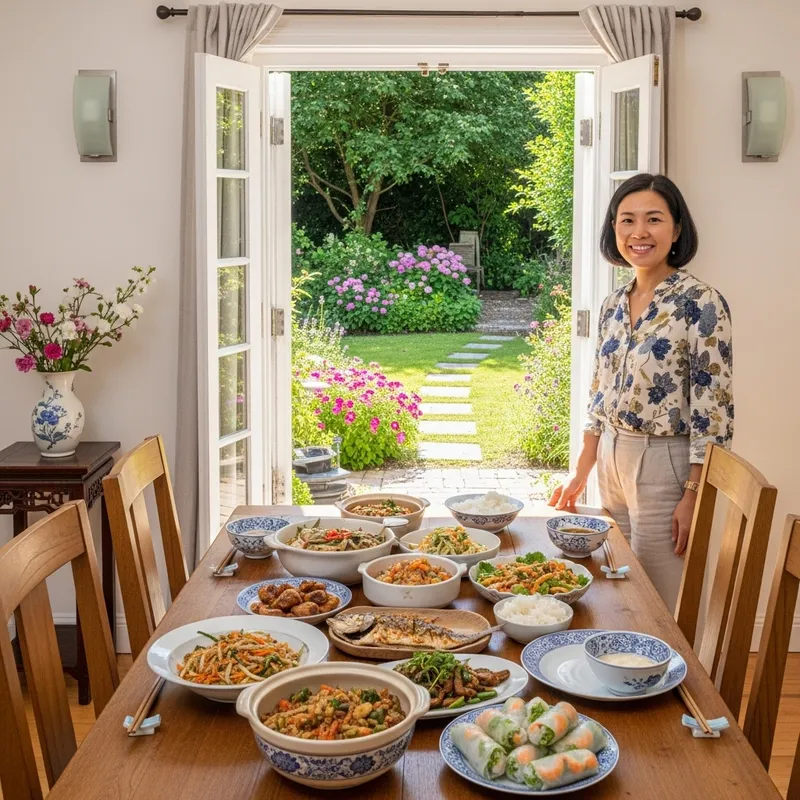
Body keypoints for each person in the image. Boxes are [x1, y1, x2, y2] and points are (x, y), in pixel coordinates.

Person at [549, 174, 733, 612]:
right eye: (626, 220)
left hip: (665, 463)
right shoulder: (614, 303)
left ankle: (669, 681)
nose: (639, 232)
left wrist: (693, 494)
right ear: (614, 230)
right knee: (616, 588)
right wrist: (584, 466)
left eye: (653, 219)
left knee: (658, 602)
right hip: (612, 458)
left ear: (677, 229)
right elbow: (600, 389)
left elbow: (715, 410)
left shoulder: (701, 303)